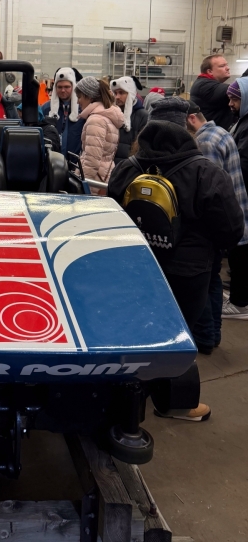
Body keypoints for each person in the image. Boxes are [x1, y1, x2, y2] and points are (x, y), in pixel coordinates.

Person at [109, 120, 244, 421]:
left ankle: (121, 395)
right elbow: (231, 227)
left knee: (133, 330)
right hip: (188, 270)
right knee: (177, 337)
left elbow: (108, 213)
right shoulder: (205, 172)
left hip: (135, 265)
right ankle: (176, 404)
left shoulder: (127, 167)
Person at [186, 102, 248, 342]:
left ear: (191, 119)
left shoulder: (205, 143)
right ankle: (213, 333)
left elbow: (210, 192)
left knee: (207, 280)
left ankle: (207, 336)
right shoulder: (220, 131)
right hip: (233, 214)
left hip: (216, 224)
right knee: (211, 280)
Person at [224, 78, 248, 318]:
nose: (231, 103)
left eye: (235, 99)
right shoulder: (241, 121)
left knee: (242, 249)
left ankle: (241, 303)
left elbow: (243, 162)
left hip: (244, 195)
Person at [74, 76, 123, 185]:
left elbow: (92, 161)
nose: (78, 101)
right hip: (104, 175)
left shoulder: (96, 120)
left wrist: (82, 185)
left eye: (80, 97)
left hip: (94, 181)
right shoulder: (107, 116)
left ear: (89, 97)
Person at [42, 67, 84, 157]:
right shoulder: (46, 109)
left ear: (73, 87)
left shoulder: (83, 109)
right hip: (52, 162)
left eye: (67, 87)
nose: (63, 90)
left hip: (75, 163)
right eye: (59, 87)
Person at [190, 54, 234, 129]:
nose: (228, 68)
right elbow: (237, 89)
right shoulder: (204, 85)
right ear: (210, 71)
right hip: (213, 136)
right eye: (222, 66)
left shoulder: (205, 83)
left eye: (227, 65)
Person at [111, 76, 148, 164]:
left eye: (121, 93)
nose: (117, 97)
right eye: (115, 93)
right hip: (111, 168)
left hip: (129, 168)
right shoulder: (112, 114)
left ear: (131, 94)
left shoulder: (143, 116)